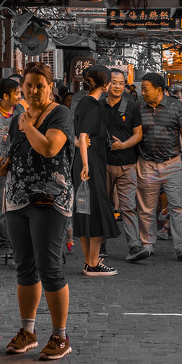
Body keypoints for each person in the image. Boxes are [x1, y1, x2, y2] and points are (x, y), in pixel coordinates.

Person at [0, 61, 76, 361]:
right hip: (17, 199)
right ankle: (27, 331)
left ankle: (60, 336)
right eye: (27, 86)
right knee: (24, 266)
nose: (32, 91)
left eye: (39, 86)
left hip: (49, 200)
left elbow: (49, 148)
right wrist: (2, 167)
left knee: (49, 267)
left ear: (49, 87)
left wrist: (28, 126)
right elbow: (13, 153)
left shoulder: (60, 114)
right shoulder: (18, 117)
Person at [134, 72, 182, 261]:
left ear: (159, 90)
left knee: (177, 205)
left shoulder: (176, 106)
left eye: (146, 89)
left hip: (172, 163)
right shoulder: (139, 106)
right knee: (146, 208)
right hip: (147, 163)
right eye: (142, 89)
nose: (143, 92)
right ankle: (147, 245)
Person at [72, 65, 120, 275]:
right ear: (106, 84)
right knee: (96, 211)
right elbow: (84, 136)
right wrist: (86, 164)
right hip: (90, 164)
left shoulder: (83, 102)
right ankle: (93, 263)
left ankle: (89, 261)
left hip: (84, 162)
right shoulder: (94, 105)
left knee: (84, 211)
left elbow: (79, 135)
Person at [103, 69, 144, 260]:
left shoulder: (132, 106)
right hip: (103, 164)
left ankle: (134, 246)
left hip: (127, 164)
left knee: (128, 207)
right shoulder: (98, 105)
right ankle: (100, 244)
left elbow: (138, 134)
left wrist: (122, 145)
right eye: (114, 82)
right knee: (103, 206)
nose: (118, 86)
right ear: (106, 84)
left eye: (121, 83)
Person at [0, 78, 23, 257]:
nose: (20, 96)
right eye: (17, 93)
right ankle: (3, 244)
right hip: (0, 163)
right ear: (5, 96)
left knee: (16, 203)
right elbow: (8, 139)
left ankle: (15, 241)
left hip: (17, 162)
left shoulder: (19, 108)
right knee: (1, 205)